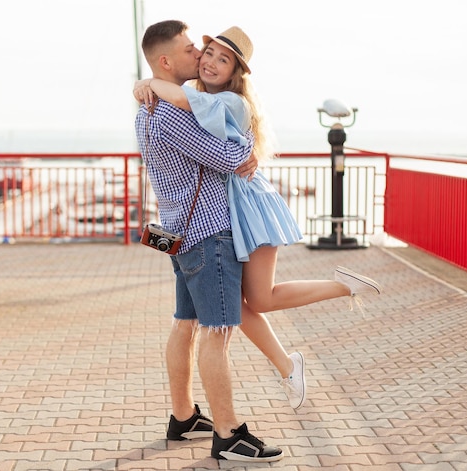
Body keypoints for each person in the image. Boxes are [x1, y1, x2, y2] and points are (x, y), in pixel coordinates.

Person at [134, 26, 382, 411]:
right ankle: (287, 364)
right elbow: (210, 133)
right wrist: (149, 82)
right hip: (211, 223)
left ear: (235, 72)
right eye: (203, 52)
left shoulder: (220, 103)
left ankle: (337, 294)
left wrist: (148, 81)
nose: (205, 59)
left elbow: (228, 152)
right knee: (242, 305)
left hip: (248, 210)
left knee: (251, 303)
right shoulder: (185, 103)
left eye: (220, 58)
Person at [135, 20, 283, 462]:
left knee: (186, 323)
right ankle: (229, 434)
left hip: (177, 232)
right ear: (165, 62)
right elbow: (232, 158)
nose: (198, 57)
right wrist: (247, 148)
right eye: (188, 51)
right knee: (218, 333)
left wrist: (146, 84)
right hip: (208, 233)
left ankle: (184, 416)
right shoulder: (173, 112)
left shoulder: (147, 106)